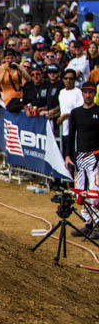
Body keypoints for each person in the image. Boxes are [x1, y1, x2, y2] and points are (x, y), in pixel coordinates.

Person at [64, 80, 99, 238]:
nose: (88, 95)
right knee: (81, 192)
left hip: (95, 156)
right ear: (82, 93)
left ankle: (98, 224)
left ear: (94, 94)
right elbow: (70, 135)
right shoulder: (76, 113)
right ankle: (88, 223)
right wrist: (68, 155)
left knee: (95, 193)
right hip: (79, 157)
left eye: (91, 92)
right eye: (85, 92)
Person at [57, 68, 84, 142]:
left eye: (71, 78)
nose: (68, 80)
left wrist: (65, 116)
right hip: (64, 129)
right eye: (66, 78)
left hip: (75, 130)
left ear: (75, 80)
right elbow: (62, 108)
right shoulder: (61, 92)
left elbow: (79, 111)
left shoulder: (78, 92)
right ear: (63, 80)